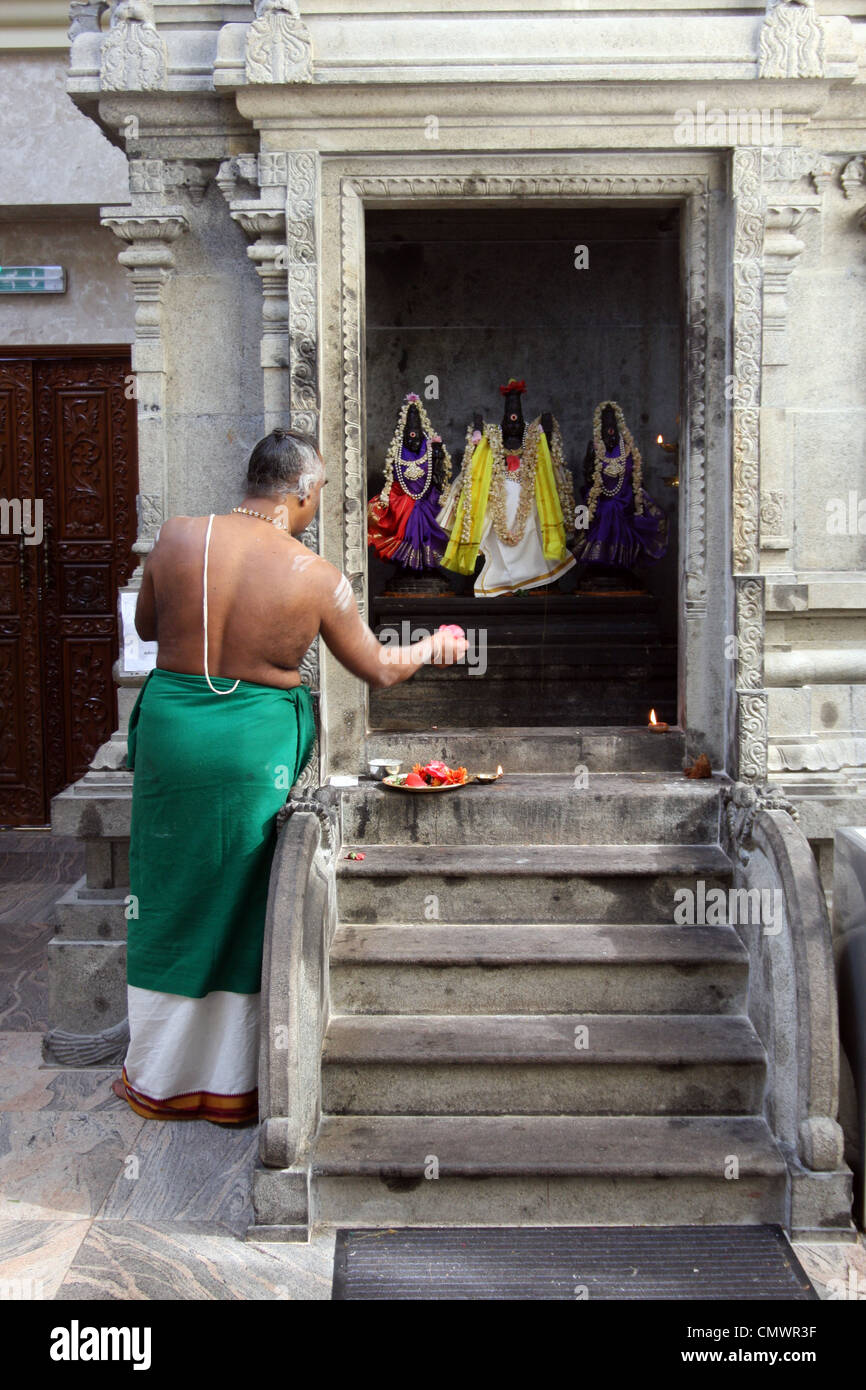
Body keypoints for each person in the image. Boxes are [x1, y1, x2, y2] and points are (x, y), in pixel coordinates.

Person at [113, 427, 467, 1124]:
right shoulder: (317, 578)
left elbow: (150, 626)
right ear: (304, 492)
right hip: (251, 751)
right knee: (245, 896)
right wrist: (436, 644)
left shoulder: (178, 537)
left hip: (172, 738)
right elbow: (379, 670)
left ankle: (159, 1073)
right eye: (323, 490)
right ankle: (233, 1084)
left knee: (167, 887)